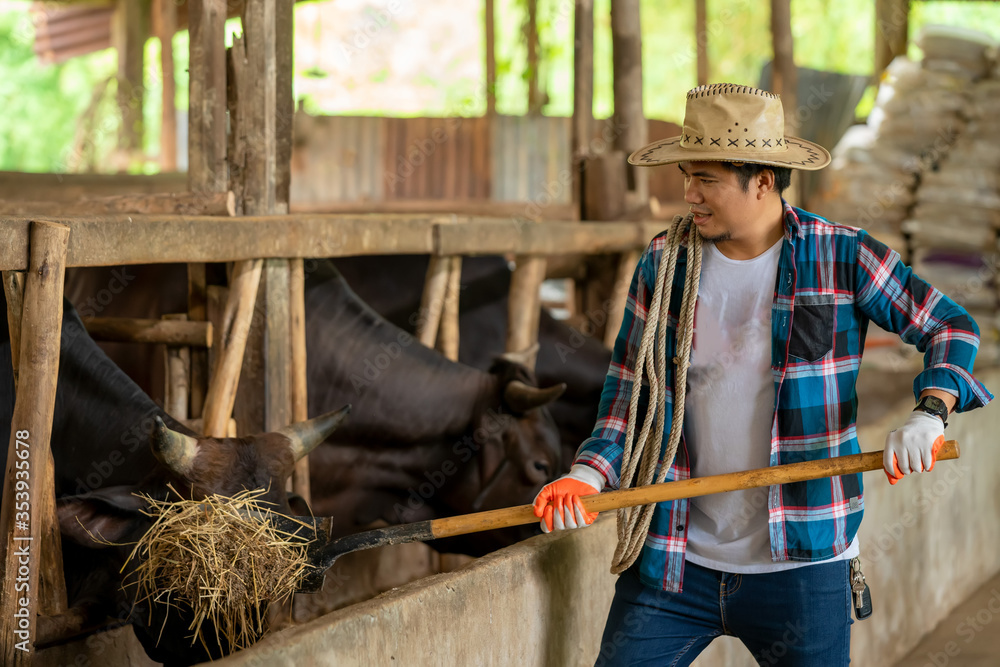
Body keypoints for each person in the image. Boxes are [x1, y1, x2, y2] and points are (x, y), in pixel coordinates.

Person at [532, 83, 993, 666]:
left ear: (764, 180)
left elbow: (950, 325)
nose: (689, 194)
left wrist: (930, 414)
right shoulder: (664, 262)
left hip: (803, 563)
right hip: (676, 556)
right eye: (686, 175)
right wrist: (588, 474)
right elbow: (630, 390)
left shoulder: (843, 256)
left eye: (707, 178)